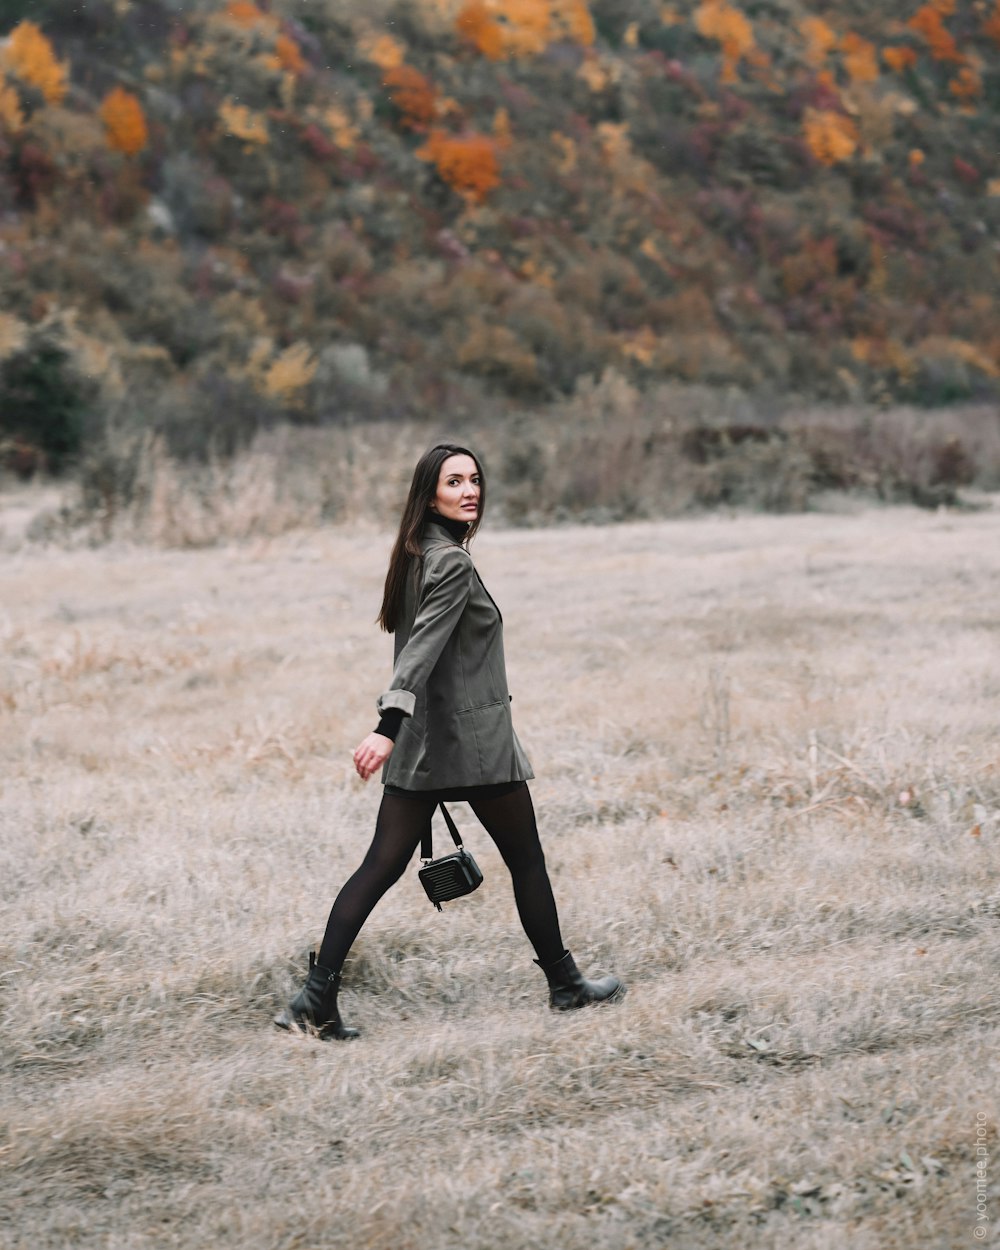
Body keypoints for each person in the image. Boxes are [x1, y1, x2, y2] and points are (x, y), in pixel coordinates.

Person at [275, 442, 623, 1040]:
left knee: (379, 867)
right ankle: (566, 986)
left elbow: (420, 648)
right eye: (454, 481)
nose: (470, 490)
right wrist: (386, 726)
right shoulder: (452, 563)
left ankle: (315, 997)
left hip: (424, 744)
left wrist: (397, 732)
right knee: (527, 862)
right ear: (428, 493)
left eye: (474, 480)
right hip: (475, 744)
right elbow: (420, 652)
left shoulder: (415, 556)